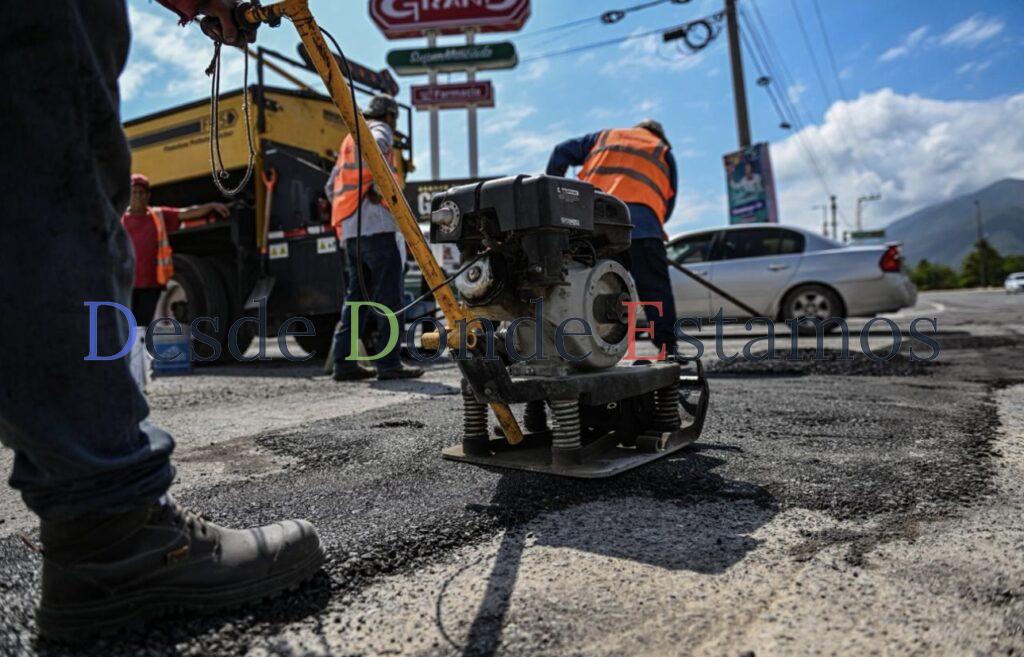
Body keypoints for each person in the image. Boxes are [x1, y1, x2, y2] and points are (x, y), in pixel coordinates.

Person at [0, 0, 323, 641]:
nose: (143, 198)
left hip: (141, 291)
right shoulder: (137, 217)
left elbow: (184, 218)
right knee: (58, 164)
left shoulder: (156, 218)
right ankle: (115, 530)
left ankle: (98, 521)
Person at [546, 119, 679, 353]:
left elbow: (560, 152)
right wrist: (653, 225)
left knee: (591, 284)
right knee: (655, 289)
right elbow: (667, 203)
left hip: (596, 222)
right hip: (643, 226)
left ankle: (582, 347)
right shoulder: (663, 151)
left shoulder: (605, 137)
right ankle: (668, 348)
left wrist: (557, 202)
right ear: (660, 135)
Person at [326, 93, 423, 382]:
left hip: (351, 232)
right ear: (390, 115)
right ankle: (388, 364)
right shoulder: (379, 131)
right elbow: (377, 152)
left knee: (356, 299)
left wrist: (352, 205)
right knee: (388, 299)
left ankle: (344, 365)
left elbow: (331, 187)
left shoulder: (348, 139)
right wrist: (377, 190)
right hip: (378, 228)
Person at [121, 173, 231, 324]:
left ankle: (139, 347)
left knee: (142, 325)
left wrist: (211, 206)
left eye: (142, 192)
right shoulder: (120, 220)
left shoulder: (158, 216)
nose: (138, 196)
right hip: (128, 284)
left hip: (151, 284)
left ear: (148, 195)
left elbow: (185, 213)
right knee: (125, 325)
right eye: (134, 192)